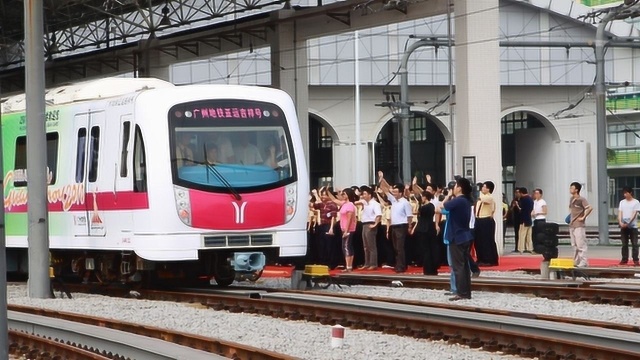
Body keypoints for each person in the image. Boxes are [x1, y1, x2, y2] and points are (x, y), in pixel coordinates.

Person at [441, 177, 474, 301]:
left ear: (459, 188)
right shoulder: (466, 201)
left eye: (455, 186)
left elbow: (444, 205)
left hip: (457, 236)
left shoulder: (459, 200)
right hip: (465, 236)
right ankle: (465, 292)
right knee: (464, 266)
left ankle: (462, 292)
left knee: (458, 266)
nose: (452, 189)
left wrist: (448, 195)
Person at [378, 171, 413, 273]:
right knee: (395, 247)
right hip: (394, 226)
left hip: (402, 226)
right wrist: (382, 179)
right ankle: (399, 264)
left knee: (400, 247)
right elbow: (385, 190)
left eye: (396, 192)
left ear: (401, 193)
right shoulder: (394, 201)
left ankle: (401, 266)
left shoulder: (405, 202)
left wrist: (410, 227)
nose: (394, 193)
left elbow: (409, 216)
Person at [411, 191, 439, 275]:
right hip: (429, 228)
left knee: (426, 250)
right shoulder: (431, 206)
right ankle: (431, 268)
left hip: (424, 229)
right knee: (430, 249)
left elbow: (419, 215)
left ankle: (428, 269)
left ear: (425, 197)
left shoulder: (425, 207)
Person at [474, 181, 499, 266]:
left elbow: (482, 198)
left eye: (484, 187)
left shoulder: (489, 197)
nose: (482, 189)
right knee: (478, 241)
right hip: (479, 220)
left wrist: (477, 190)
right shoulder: (481, 197)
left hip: (486, 220)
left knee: (487, 241)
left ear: (489, 189)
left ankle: (489, 259)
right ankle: (480, 258)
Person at [568, 182, 592, 267]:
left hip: (579, 224)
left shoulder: (581, 199)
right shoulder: (571, 199)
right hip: (572, 224)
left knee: (580, 243)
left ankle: (584, 261)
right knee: (574, 244)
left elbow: (589, 208)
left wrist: (583, 217)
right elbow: (571, 210)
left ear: (576, 190)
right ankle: (576, 261)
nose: (570, 189)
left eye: (572, 188)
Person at [358, 186, 382, 270]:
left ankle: (373, 264)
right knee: (365, 246)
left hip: (370, 224)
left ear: (370, 195)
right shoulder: (365, 203)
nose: (363, 195)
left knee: (371, 246)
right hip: (364, 224)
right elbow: (355, 202)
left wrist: (375, 224)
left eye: (364, 194)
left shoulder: (375, 204)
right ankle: (367, 263)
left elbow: (378, 215)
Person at [617, 186, 640, 266]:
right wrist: (620, 222)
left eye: (626, 193)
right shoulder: (622, 202)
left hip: (633, 226)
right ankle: (624, 259)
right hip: (623, 226)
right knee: (624, 244)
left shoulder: (636, 202)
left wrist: (628, 223)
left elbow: (634, 213)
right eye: (624, 193)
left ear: (630, 193)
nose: (625, 195)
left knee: (634, 244)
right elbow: (620, 213)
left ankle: (636, 260)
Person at [517, 187, 534, 254]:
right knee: (529, 235)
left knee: (522, 235)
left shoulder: (523, 199)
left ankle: (521, 248)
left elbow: (522, 210)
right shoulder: (530, 199)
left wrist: (518, 205)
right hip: (529, 219)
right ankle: (530, 248)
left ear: (521, 193)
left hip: (523, 219)